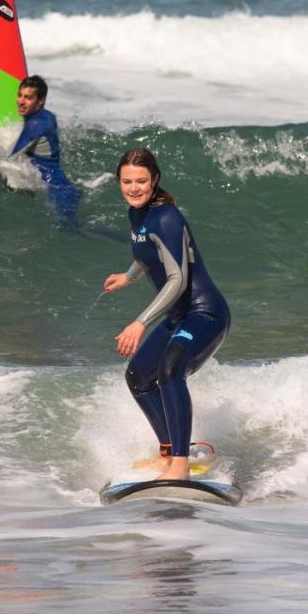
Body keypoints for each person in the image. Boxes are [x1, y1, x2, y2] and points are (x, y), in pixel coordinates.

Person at [103, 148, 231, 481]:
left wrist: (140, 322)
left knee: (170, 368)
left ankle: (180, 464)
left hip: (205, 313)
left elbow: (178, 277)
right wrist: (129, 276)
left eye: (141, 181)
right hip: (179, 316)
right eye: (127, 181)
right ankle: (168, 451)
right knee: (139, 378)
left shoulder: (167, 216)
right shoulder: (137, 214)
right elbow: (150, 250)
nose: (134, 188)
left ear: (155, 179)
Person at [0, 75, 80, 224]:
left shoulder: (35, 125)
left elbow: (7, 160)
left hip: (56, 191)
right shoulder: (47, 116)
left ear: (40, 101)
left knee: (68, 229)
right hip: (63, 187)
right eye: (20, 95)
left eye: (28, 98)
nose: (21, 101)